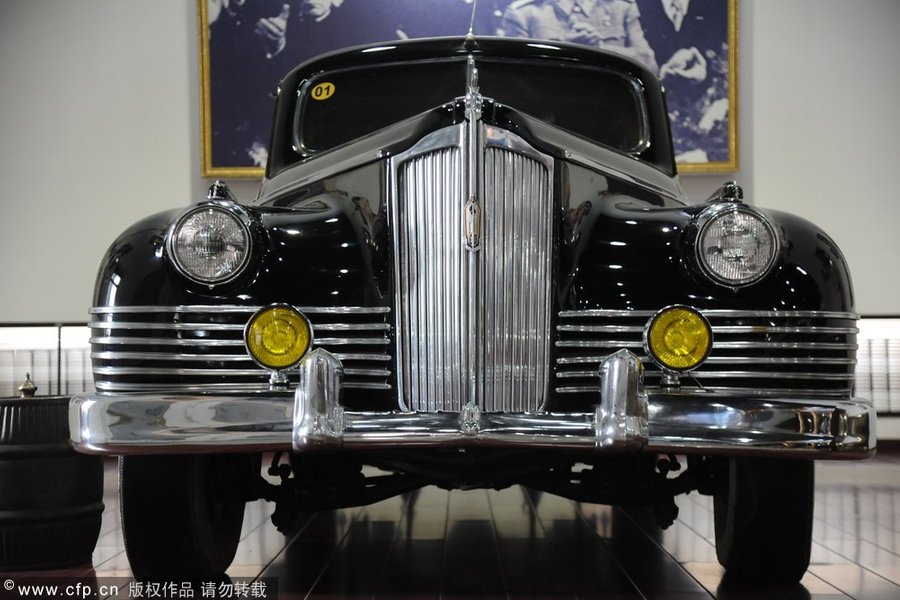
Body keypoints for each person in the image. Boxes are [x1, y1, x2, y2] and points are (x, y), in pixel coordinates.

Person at [499, 0, 657, 72]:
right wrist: (567, 50)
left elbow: (649, 64)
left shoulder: (620, 7)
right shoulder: (524, 13)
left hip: (612, 111)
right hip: (550, 116)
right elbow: (517, 77)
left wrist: (600, 49)